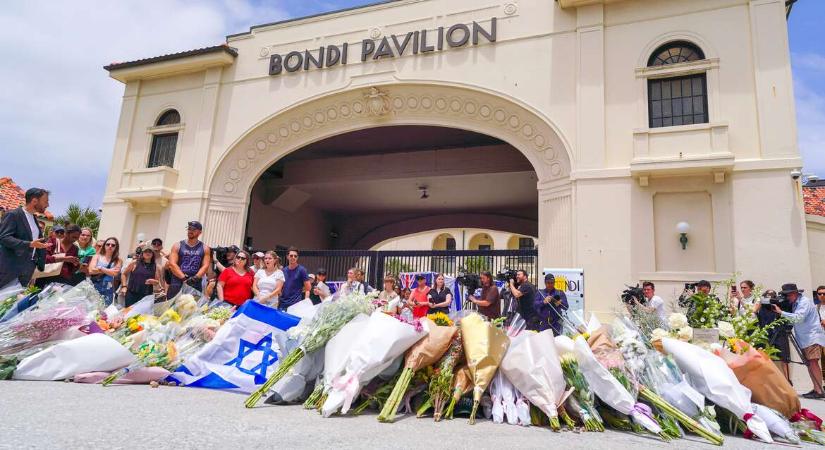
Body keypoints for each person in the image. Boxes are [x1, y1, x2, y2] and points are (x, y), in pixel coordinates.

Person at [772, 283, 825, 399]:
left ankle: (819, 390)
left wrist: (781, 312)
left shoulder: (804, 302)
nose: (787, 298)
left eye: (788, 296)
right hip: (805, 338)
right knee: (810, 364)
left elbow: (798, 318)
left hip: (811, 337)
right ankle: (816, 389)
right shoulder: (796, 303)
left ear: (794, 293)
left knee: (813, 363)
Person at [0, 187, 51, 289]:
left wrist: (37, 262)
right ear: (34, 201)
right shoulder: (13, 215)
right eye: (45, 201)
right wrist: (29, 244)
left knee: (13, 303)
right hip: (10, 269)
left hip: (27, 270)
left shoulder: (34, 219)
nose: (48, 205)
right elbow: (4, 237)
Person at [754, 289, 791, 383]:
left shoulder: (778, 305)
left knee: (784, 358)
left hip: (780, 334)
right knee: (764, 358)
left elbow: (787, 318)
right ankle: (768, 382)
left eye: (772, 295)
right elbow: (753, 311)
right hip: (766, 334)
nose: (770, 297)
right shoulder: (761, 306)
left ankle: (787, 381)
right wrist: (759, 303)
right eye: (768, 295)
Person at [167, 221, 211, 298]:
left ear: (200, 232)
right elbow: (172, 264)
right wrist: (184, 278)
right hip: (178, 281)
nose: (190, 231)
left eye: (193, 229)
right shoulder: (177, 245)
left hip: (195, 282)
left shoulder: (205, 248)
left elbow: (206, 266)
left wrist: (195, 278)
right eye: (189, 229)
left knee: (192, 307)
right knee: (172, 307)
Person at [88, 237, 122, 305]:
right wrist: (110, 271)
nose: (110, 246)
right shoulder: (96, 256)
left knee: (104, 311)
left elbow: (115, 273)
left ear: (116, 247)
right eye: (108, 244)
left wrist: (101, 268)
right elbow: (91, 270)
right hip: (94, 286)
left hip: (108, 289)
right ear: (104, 245)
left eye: (113, 245)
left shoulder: (118, 260)